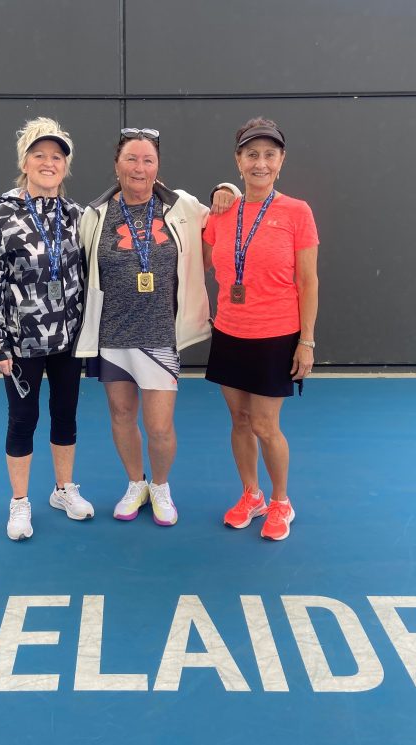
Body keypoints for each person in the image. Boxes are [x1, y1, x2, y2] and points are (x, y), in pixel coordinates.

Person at [74, 128, 238, 526]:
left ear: (158, 167)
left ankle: (160, 486)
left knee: (160, 427)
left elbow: (226, 215)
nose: (139, 167)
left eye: (147, 160)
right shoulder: (94, 215)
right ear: (117, 165)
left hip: (161, 337)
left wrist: (227, 188)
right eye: (131, 159)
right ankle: (136, 483)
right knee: (120, 415)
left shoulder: (182, 206)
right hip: (112, 335)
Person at [0, 117, 94, 541]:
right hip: (21, 343)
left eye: (57, 157)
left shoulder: (78, 216)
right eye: (39, 155)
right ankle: (20, 501)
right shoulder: (0, 217)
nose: (48, 163)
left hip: (69, 341)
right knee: (23, 419)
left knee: (66, 414)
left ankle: (63, 490)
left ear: (66, 166)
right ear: (24, 162)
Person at [202, 117, 320, 541]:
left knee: (265, 426)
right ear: (238, 161)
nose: (260, 163)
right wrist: (220, 193)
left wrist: (306, 341)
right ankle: (251, 495)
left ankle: (281, 501)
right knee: (239, 419)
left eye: (270, 155)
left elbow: (308, 281)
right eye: (252, 154)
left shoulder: (297, 212)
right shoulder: (221, 212)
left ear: (281, 161)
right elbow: (198, 258)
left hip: (276, 336)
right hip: (229, 332)